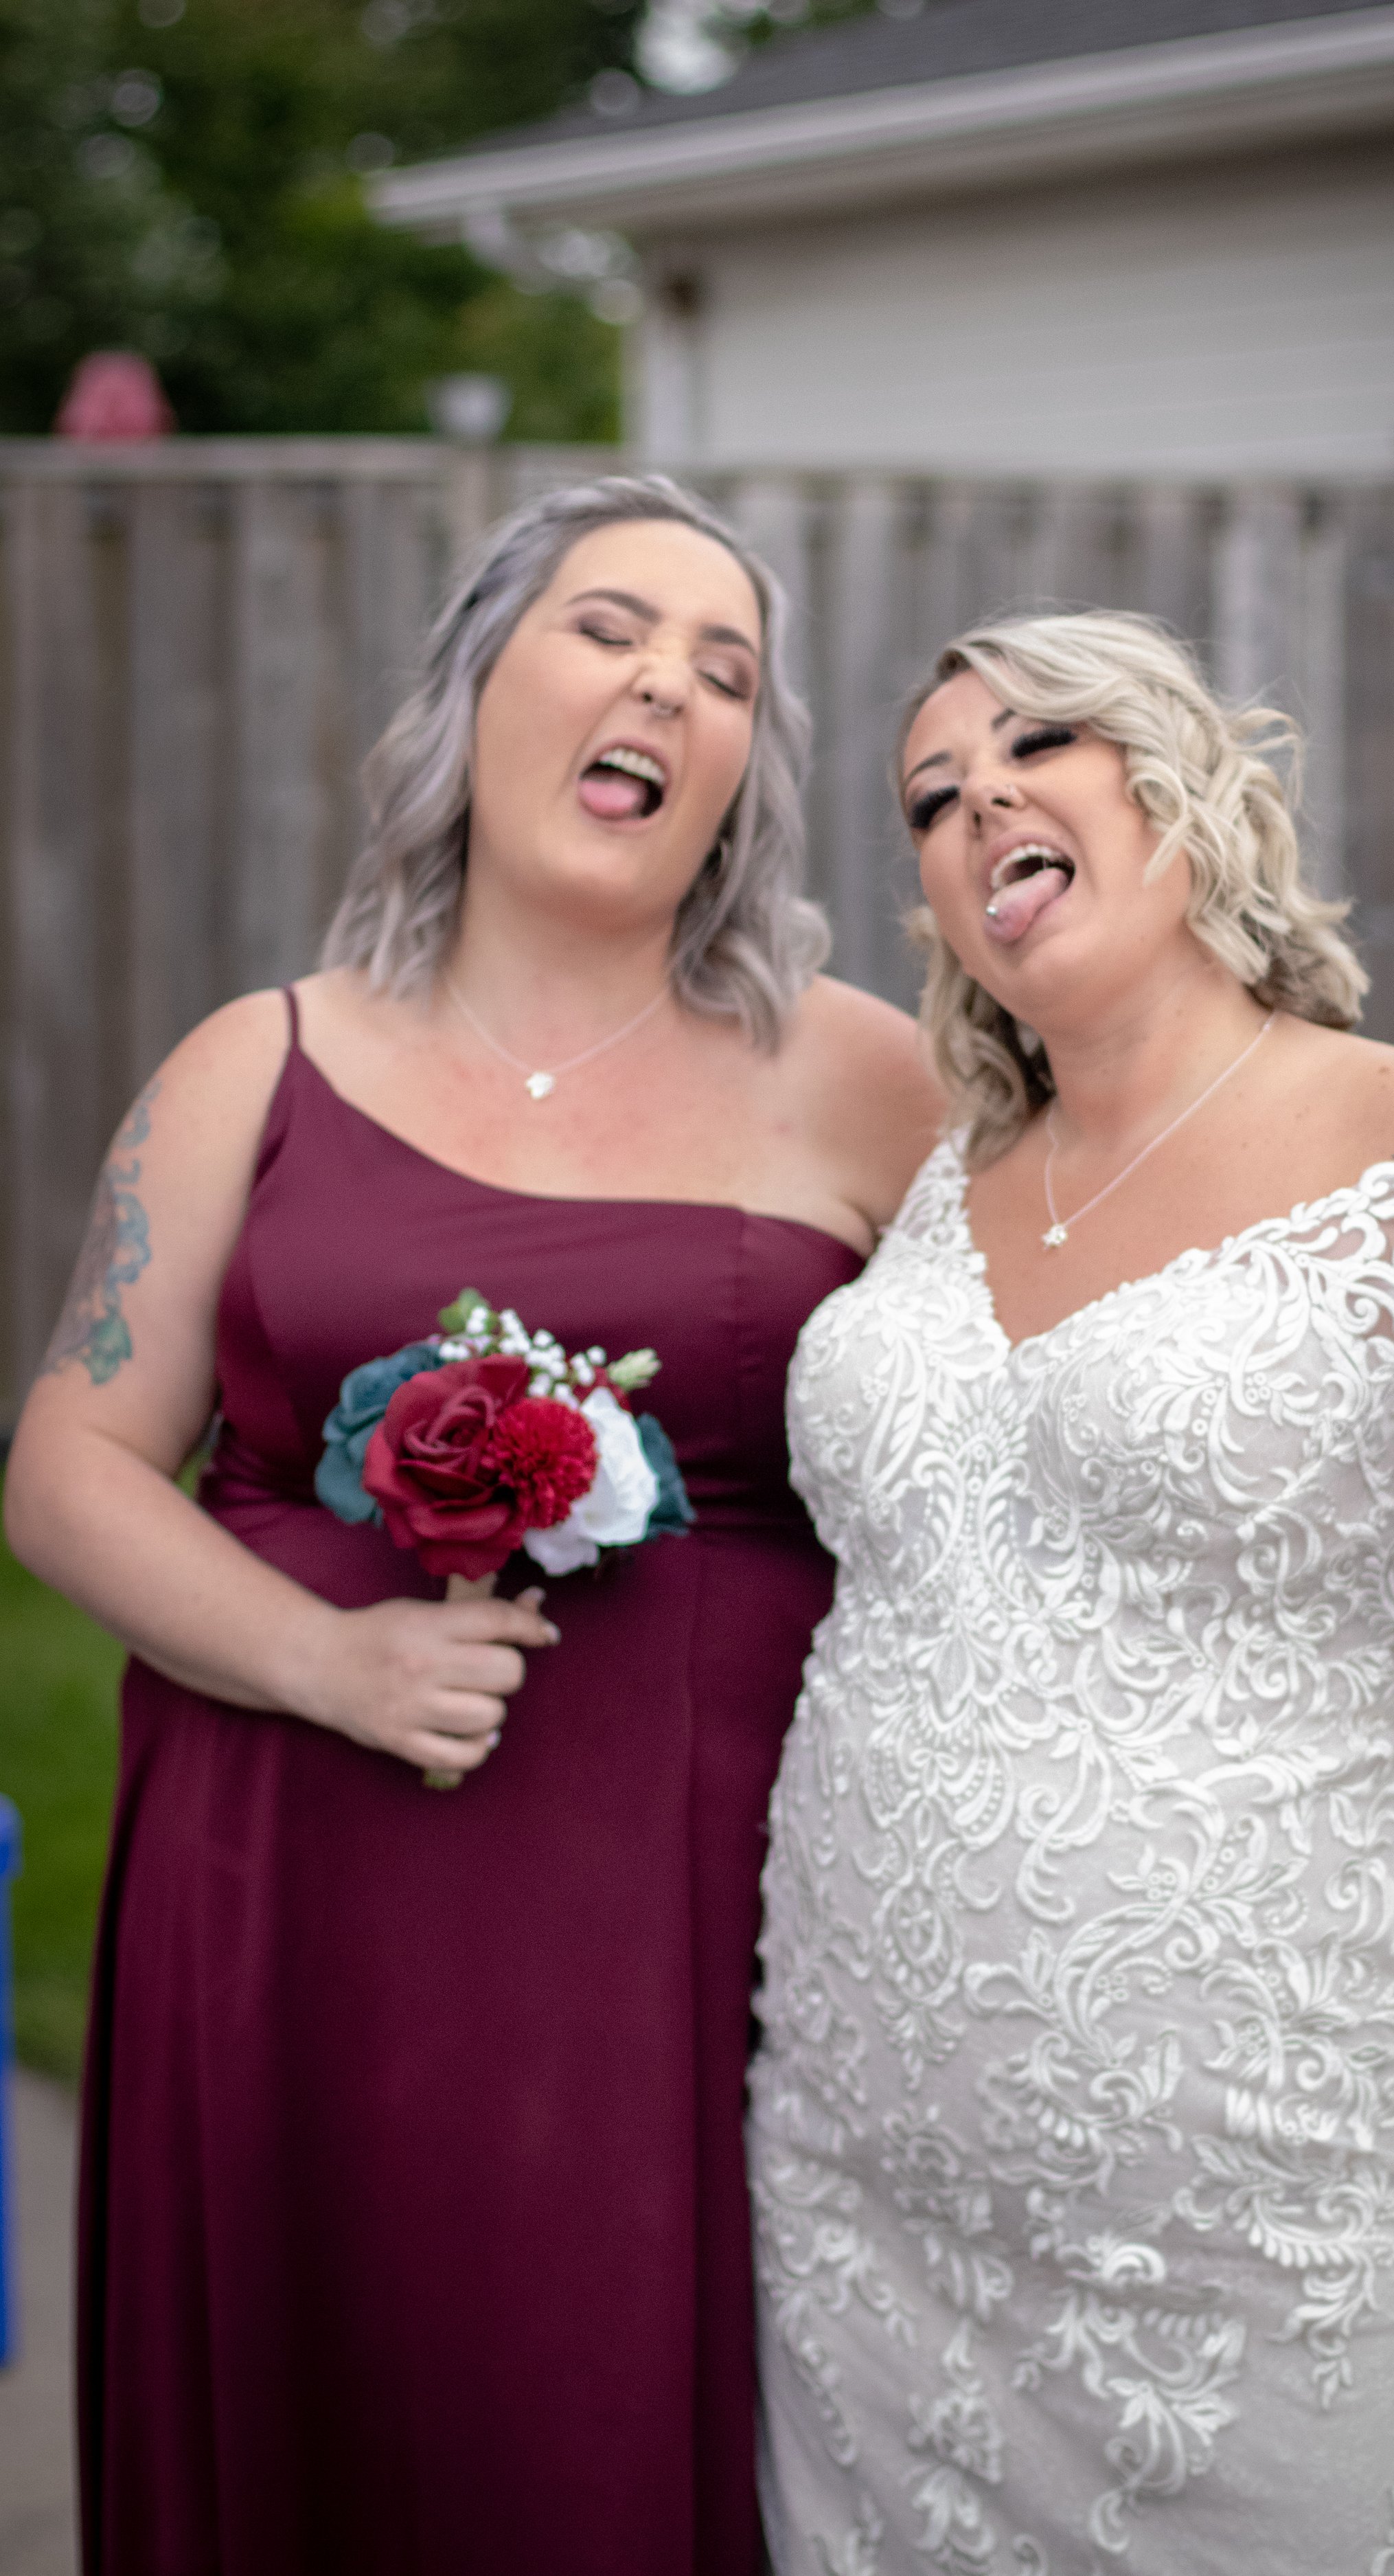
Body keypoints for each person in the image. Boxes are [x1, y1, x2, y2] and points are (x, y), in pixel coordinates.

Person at [4, 473, 939, 2576]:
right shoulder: (257, 1062)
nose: (666, 688)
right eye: (610, 629)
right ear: (477, 685)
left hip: (680, 1908)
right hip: (286, 1885)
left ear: (742, 776)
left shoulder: (857, 1076)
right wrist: (323, 1658)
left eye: (725, 672)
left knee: (590, 2426)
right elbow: (67, 1465)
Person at [746, 609, 1394, 2575]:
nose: (975, 800)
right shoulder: (943, 1176)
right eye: (929, 796)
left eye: (1035, 745)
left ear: (1185, 790)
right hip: (864, 2180)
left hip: (1289, 2211)